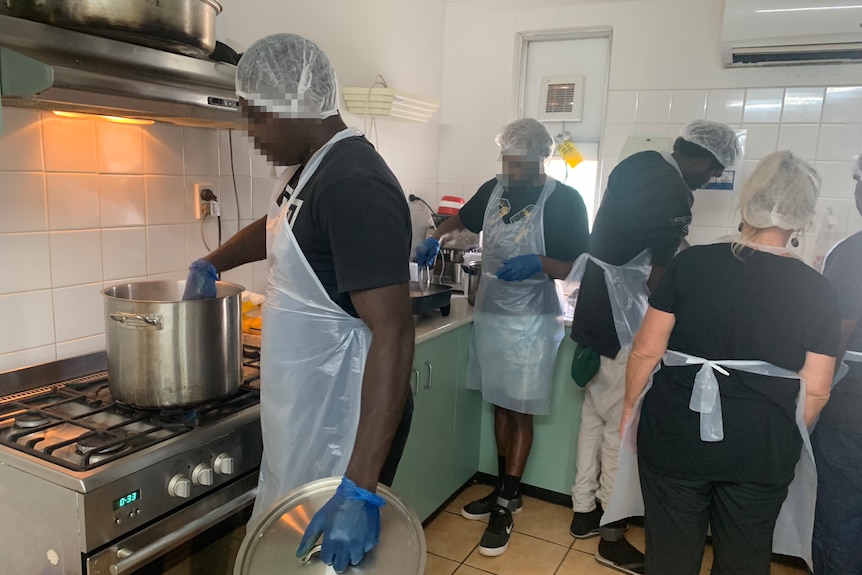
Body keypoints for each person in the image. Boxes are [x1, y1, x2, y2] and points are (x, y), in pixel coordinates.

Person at [183, 34, 415, 573]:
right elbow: (274, 230)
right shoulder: (310, 170)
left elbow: (395, 337)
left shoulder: (354, 184)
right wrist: (213, 262)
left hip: (345, 422)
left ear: (295, 106)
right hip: (308, 411)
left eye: (255, 117)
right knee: (291, 559)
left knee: (329, 565)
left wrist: (359, 490)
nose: (249, 132)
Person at [613, 150, 839, 575]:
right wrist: (784, 435)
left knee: (670, 557)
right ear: (801, 217)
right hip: (762, 446)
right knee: (744, 559)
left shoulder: (692, 263)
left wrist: (630, 413)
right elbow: (819, 387)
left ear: (748, 201)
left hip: (676, 434)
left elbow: (646, 350)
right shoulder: (818, 289)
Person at [567, 119, 740, 574]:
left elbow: (642, 235)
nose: (712, 179)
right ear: (700, 159)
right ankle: (610, 530)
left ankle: (583, 510)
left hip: (593, 302)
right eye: (714, 171)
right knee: (620, 423)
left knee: (593, 413)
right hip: (625, 316)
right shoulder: (676, 193)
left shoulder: (639, 162)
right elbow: (659, 277)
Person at [415, 118, 589, 556]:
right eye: (506, 159)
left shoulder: (565, 201)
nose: (509, 168)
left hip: (532, 317)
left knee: (520, 407)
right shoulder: (494, 189)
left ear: (539, 158)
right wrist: (436, 237)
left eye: (518, 161)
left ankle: (509, 498)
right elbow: (459, 219)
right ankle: (500, 487)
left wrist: (540, 264)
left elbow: (582, 264)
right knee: (498, 399)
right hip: (491, 310)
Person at [812, 152, 862, 574]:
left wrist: (814, 397)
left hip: (851, 413)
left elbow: (835, 338)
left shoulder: (851, 254)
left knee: (841, 517)